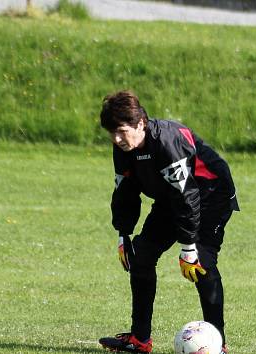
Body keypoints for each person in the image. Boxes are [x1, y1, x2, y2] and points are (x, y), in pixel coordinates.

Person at [97, 90, 239, 354]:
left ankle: (218, 344)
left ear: (140, 123)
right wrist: (123, 234)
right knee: (140, 257)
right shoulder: (123, 149)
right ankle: (139, 340)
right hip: (171, 197)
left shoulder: (167, 141)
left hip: (210, 194)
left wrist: (188, 248)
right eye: (111, 133)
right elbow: (125, 192)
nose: (116, 139)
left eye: (121, 131)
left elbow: (188, 195)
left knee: (201, 263)